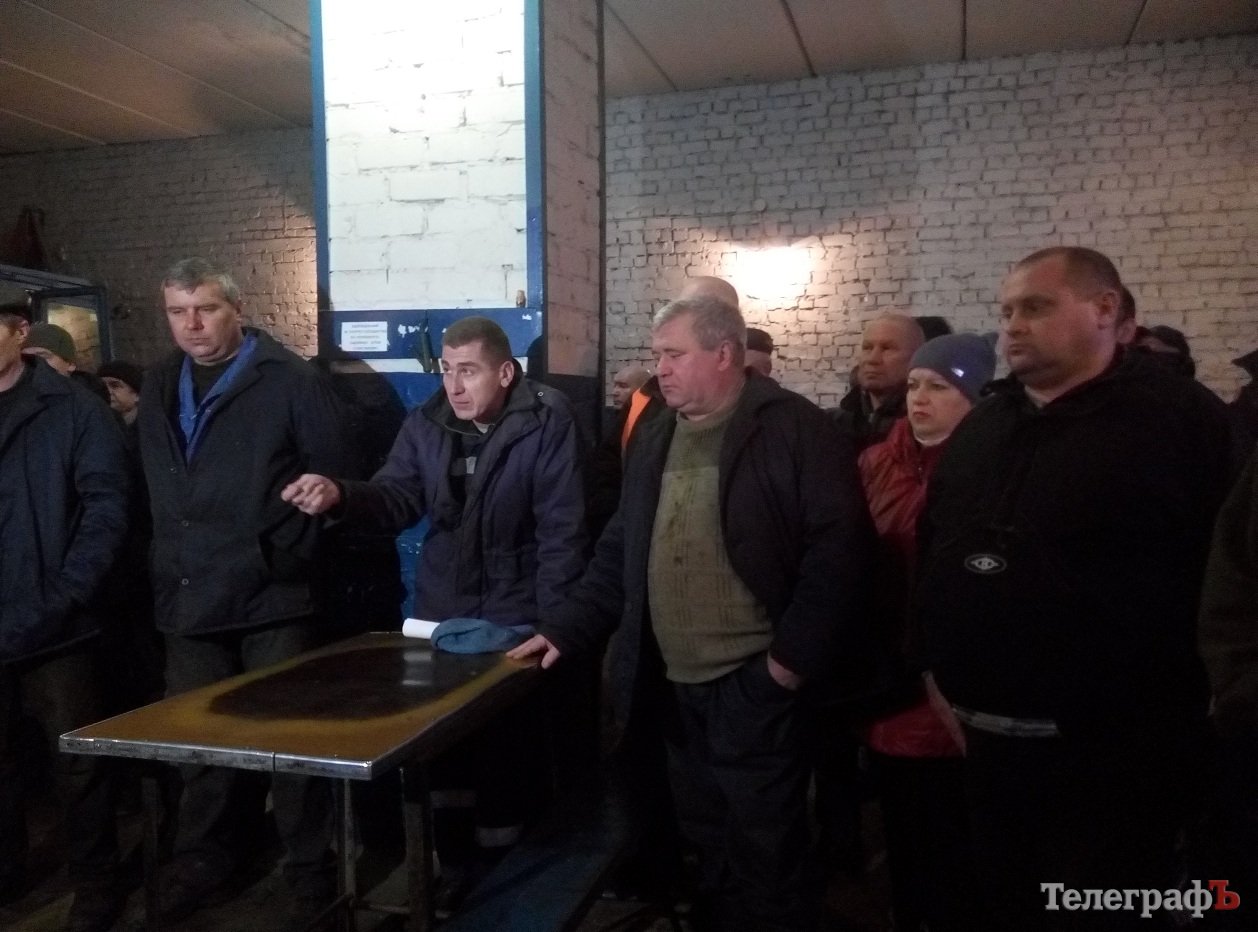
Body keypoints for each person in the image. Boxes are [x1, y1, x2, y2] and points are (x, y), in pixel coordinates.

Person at [509, 294, 876, 931]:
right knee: (706, 837)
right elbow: (621, 548)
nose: (661, 369)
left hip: (753, 682)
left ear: (725, 354)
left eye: (674, 355)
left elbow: (839, 553)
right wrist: (566, 629)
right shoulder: (657, 433)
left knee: (769, 846)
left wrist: (786, 664)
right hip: (674, 685)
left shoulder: (792, 429)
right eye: (658, 355)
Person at [917, 247, 1234, 930]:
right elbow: (936, 547)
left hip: (1120, 750)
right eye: (1006, 310)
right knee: (1010, 905)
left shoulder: (1182, 420)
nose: (1013, 325)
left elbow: (1228, 572)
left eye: (1035, 307)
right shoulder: (986, 426)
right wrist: (932, 666)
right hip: (988, 742)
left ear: (1105, 309)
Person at [282, 315, 587, 878]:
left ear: (505, 373)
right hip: (444, 616)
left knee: (505, 754)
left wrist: (555, 625)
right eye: (446, 370)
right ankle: (455, 873)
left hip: (515, 620)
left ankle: (508, 881)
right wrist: (341, 495)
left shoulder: (546, 419)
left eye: (468, 371)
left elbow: (561, 531)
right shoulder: (427, 422)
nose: (454, 385)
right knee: (446, 752)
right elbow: (397, 497)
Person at [137, 258, 353, 928]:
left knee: (290, 744)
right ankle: (206, 861)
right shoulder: (160, 379)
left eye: (206, 309)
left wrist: (282, 553)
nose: (192, 325)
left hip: (271, 599)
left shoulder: (289, 379)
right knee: (201, 745)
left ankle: (310, 871)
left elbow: (336, 473)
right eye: (178, 312)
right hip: (189, 595)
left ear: (238, 308)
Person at [0, 301, 130, 932]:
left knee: (78, 763)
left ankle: (96, 881)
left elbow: (106, 510)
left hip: (57, 626)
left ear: (19, 332)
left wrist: (65, 598)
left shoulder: (73, 409)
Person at [857, 333, 994, 932]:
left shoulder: (989, 467)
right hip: (888, 671)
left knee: (957, 834)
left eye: (939, 387)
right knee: (904, 824)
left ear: (975, 399)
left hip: (956, 674)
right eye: (914, 385)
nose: (920, 398)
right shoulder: (875, 463)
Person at [830, 313, 925, 452]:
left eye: (887, 348)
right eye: (867, 348)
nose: (872, 359)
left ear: (916, 356)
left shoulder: (926, 429)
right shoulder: (833, 425)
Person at [97, 360, 143, 425]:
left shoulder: (152, 425)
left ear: (137, 395)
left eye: (115, 386)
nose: (107, 391)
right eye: (102, 386)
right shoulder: (93, 424)